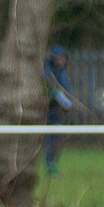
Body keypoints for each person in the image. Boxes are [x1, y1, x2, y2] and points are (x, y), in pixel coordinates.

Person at [42, 45, 74, 178]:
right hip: (48, 111)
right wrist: (57, 95)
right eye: (57, 59)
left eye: (62, 59)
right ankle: (49, 167)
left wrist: (67, 101)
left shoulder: (62, 73)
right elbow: (48, 91)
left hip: (60, 113)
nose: (60, 62)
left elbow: (67, 93)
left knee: (57, 139)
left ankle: (52, 165)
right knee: (50, 138)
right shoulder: (47, 72)